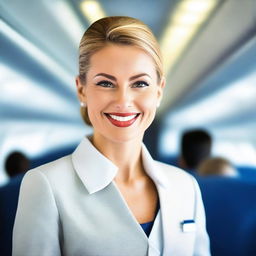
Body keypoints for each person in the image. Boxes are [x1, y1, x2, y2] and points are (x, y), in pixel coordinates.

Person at [13, 16, 210, 256]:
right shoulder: (45, 185)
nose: (123, 101)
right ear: (81, 90)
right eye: (106, 83)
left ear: (158, 92)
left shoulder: (185, 186)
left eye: (139, 84)